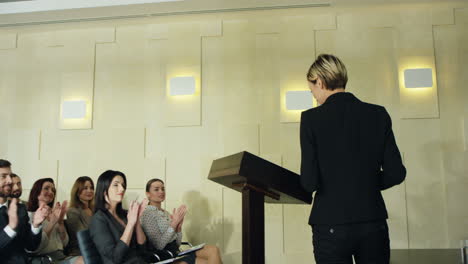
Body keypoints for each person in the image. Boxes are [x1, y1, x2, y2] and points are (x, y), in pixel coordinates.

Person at [300, 54, 406, 264]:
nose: (312, 93)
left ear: (319, 81)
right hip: (372, 221)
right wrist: (364, 183)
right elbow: (396, 173)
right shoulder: (378, 114)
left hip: (330, 223)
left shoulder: (311, 119)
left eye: (311, 87)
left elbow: (309, 182)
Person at [141, 178, 222, 264]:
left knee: (213, 250)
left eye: (163, 189)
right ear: (148, 194)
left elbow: (177, 244)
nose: (161, 192)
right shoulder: (147, 214)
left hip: (175, 253)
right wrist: (174, 224)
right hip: (164, 257)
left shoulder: (166, 213)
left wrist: (178, 229)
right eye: (156, 189)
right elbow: (159, 246)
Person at [89, 170, 159, 264]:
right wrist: (130, 224)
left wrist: (137, 219)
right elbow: (115, 258)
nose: (122, 189)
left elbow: (143, 248)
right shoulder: (98, 219)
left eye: (123, 185)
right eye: (116, 185)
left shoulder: (125, 214)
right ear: (104, 189)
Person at [0, 159, 48, 264]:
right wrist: (11, 228)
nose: (9, 181)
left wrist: (35, 225)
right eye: (3, 176)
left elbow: (30, 246)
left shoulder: (20, 208)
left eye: (10, 175)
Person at [27, 178, 83, 264]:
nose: (51, 192)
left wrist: (60, 222)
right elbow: (35, 248)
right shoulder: (29, 216)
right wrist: (52, 223)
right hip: (44, 259)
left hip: (61, 257)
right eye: (46, 188)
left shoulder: (55, 214)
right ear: (36, 192)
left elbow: (64, 243)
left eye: (53, 190)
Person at [66, 176, 95, 256]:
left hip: (97, 250)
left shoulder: (95, 210)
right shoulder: (72, 211)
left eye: (91, 188)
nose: (89, 191)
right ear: (77, 191)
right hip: (80, 253)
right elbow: (81, 236)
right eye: (85, 188)